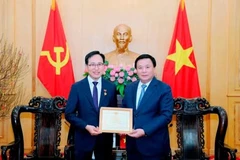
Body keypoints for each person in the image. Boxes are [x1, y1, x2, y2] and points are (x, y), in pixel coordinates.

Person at [65, 51, 117, 160]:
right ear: (86, 67)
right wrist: (86, 126)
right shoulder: (77, 87)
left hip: (104, 140)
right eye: (92, 65)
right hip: (83, 138)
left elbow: (113, 112)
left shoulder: (111, 87)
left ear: (104, 67)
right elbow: (69, 114)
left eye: (99, 64)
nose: (96, 68)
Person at [122, 54, 173, 160]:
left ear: (154, 68)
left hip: (154, 145)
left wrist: (144, 130)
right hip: (132, 145)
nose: (144, 70)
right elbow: (125, 111)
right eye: (140, 68)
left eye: (147, 67)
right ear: (136, 70)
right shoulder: (129, 88)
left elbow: (166, 115)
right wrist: (121, 126)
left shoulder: (163, 88)